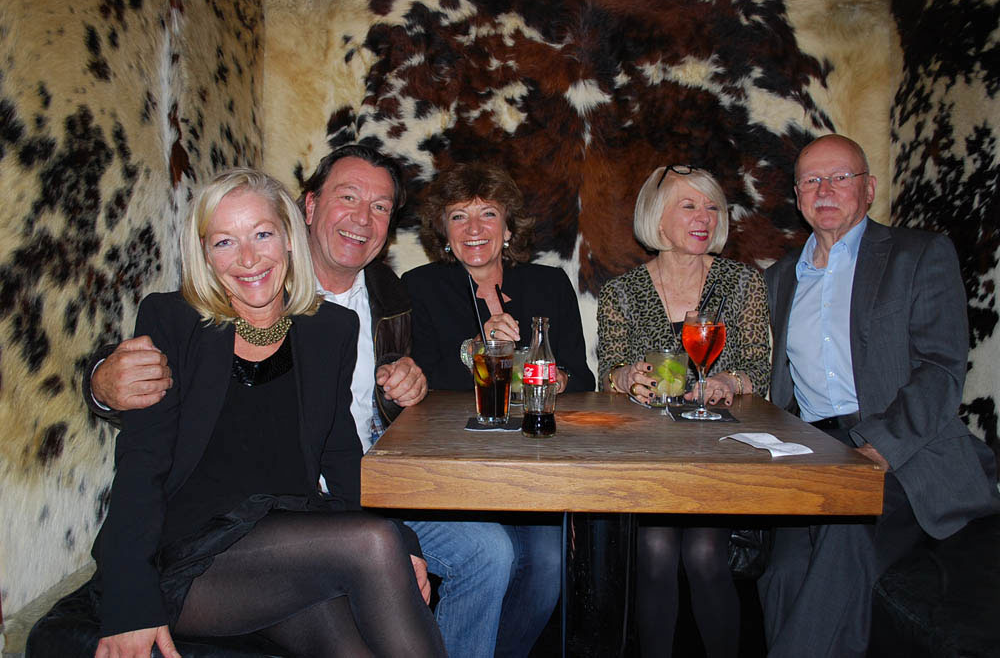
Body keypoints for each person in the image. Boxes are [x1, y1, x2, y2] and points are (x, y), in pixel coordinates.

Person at [84, 145, 518, 658]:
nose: (248, 259)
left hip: (296, 529)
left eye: (262, 235)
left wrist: (407, 540)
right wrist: (130, 599)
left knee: (360, 637)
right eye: (225, 241)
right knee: (374, 542)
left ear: (287, 238)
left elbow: (342, 455)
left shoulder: (333, 326)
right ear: (203, 252)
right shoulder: (173, 320)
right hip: (189, 552)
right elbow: (141, 465)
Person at [759, 134, 1000, 657]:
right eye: (811, 180)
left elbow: (940, 368)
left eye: (839, 177)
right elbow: (774, 385)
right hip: (812, 451)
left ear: (868, 189)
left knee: (846, 532)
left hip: (904, 449)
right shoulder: (778, 278)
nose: (825, 190)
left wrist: (879, 448)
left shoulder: (919, 254)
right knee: (782, 571)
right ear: (798, 197)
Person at [402, 162, 595, 656]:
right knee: (497, 555)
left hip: (534, 465)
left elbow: (582, 378)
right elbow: (423, 386)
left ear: (508, 228)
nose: (474, 228)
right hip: (457, 465)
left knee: (548, 564)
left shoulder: (549, 283)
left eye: (488, 213)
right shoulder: (419, 286)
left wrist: (557, 378)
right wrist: (478, 349)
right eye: (458, 216)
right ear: (443, 233)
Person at [596, 165, 770, 657]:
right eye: (689, 206)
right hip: (650, 454)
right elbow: (607, 371)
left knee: (705, 550)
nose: (704, 217)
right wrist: (624, 378)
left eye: (712, 207)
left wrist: (729, 381)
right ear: (656, 217)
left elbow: (760, 371)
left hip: (721, 451)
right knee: (654, 550)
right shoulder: (621, 293)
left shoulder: (742, 284)